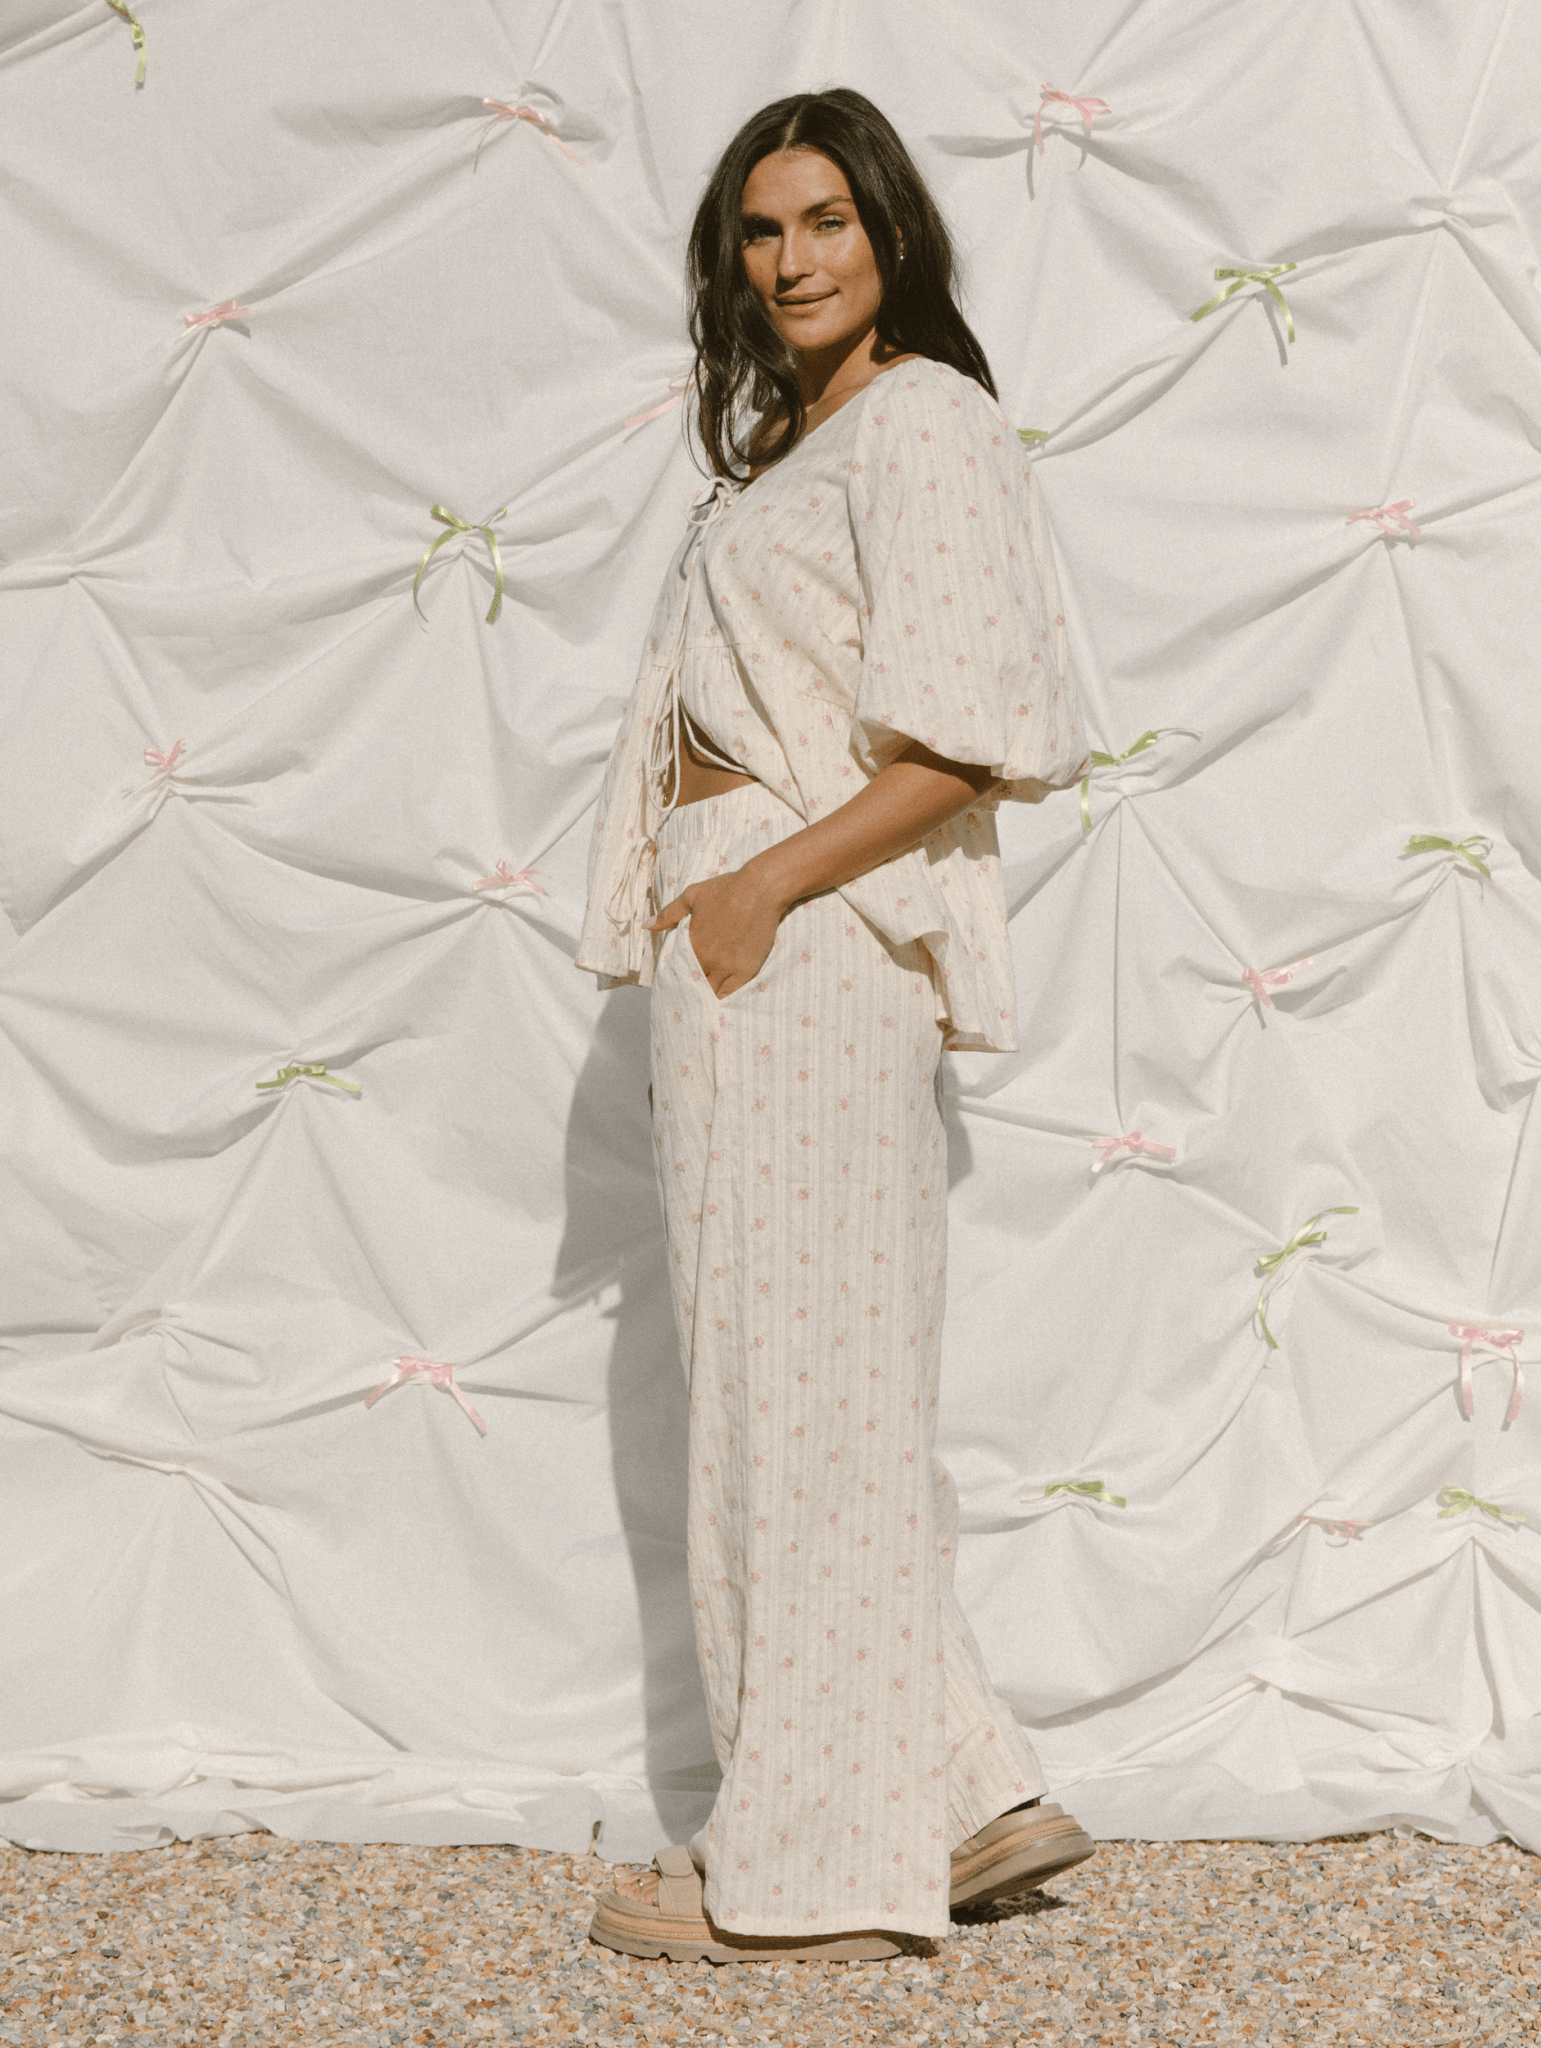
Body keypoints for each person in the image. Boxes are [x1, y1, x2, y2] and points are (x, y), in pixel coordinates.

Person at [575, 86, 1095, 1963]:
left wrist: (756, 893)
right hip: (750, 935)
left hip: (797, 931)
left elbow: (969, 739)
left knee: (794, 1404)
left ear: (889, 234)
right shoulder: (800, 447)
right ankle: (958, 1795)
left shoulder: (924, 422)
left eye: (824, 222)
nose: (790, 260)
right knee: (800, 1390)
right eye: (759, 229)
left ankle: (809, 1871)